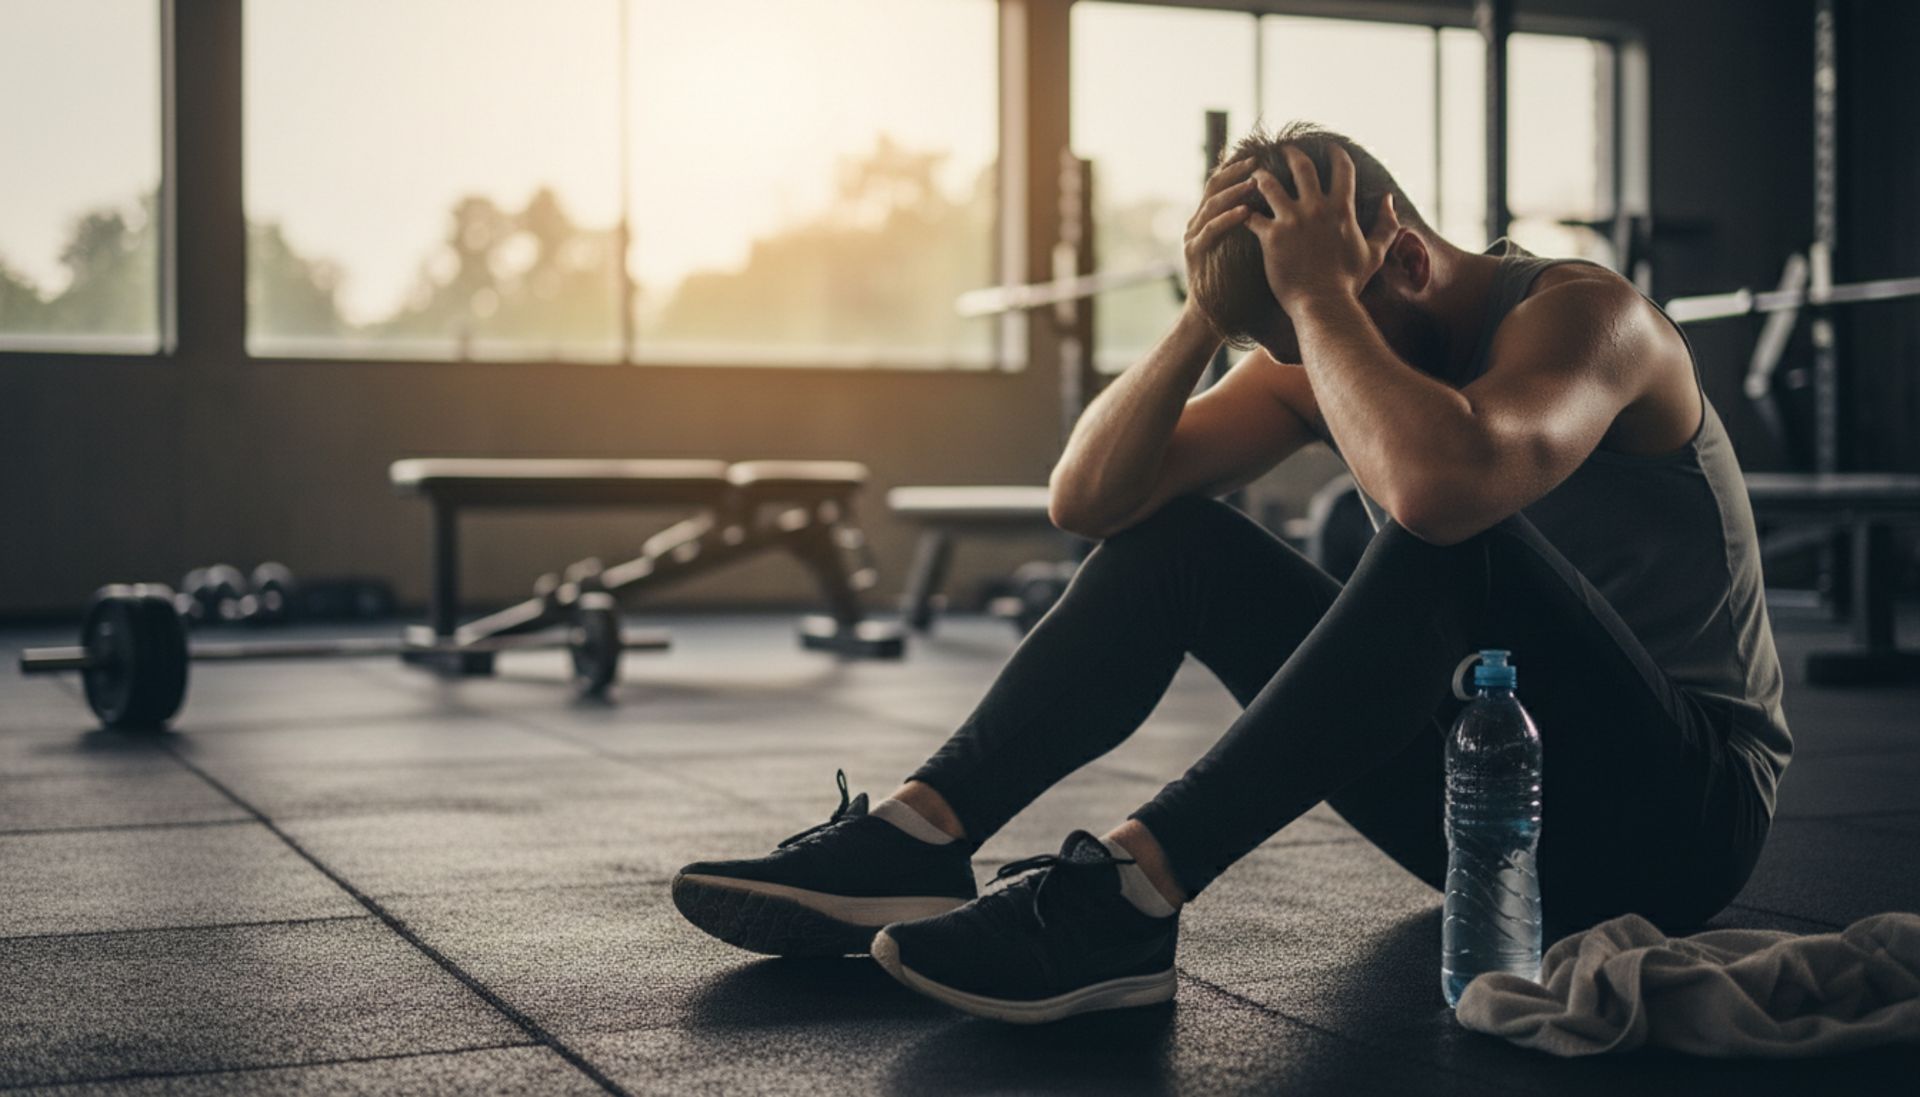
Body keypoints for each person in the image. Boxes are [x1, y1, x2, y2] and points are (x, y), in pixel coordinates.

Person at [670, 122, 1790, 1025]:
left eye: (1318, 322)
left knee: (1448, 528)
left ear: (1400, 256)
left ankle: (1130, 890)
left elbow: (1448, 488)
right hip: (1484, 820)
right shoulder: (1323, 356)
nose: (1306, 364)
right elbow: (1091, 500)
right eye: (1291, 341)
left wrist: (1319, 302)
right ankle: (918, 833)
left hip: (1678, 821)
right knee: (1176, 539)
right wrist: (1210, 317)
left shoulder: (1593, 319)